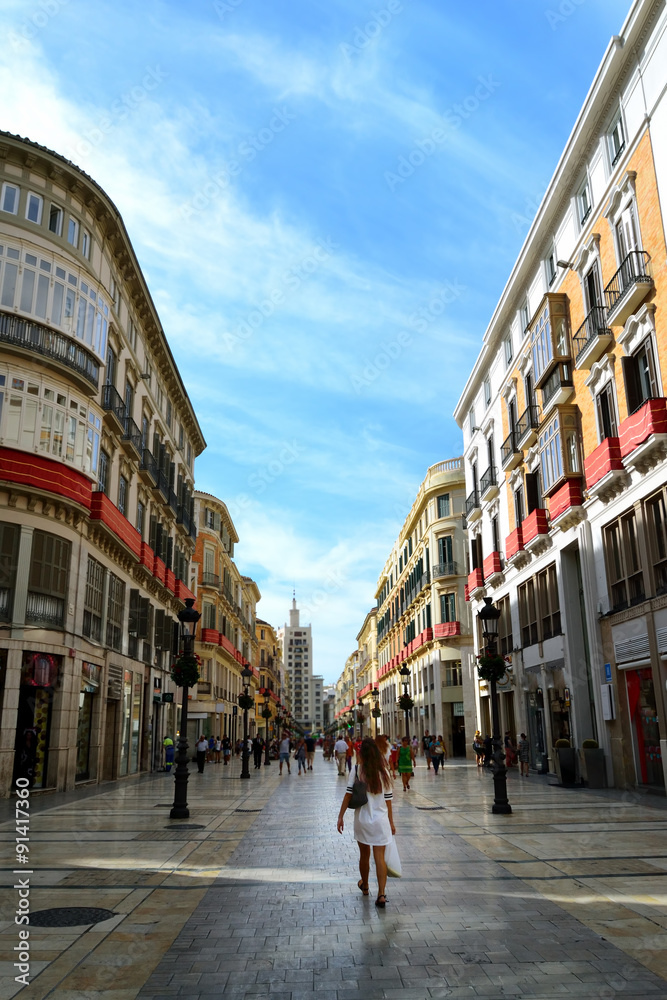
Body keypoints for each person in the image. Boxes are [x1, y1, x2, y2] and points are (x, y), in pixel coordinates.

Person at [337, 736, 395, 908]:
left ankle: (365, 886)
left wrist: (340, 817)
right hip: (381, 821)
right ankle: (382, 894)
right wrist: (391, 823)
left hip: (362, 820)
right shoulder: (384, 772)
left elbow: (348, 794)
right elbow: (389, 799)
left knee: (364, 855)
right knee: (380, 858)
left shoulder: (357, 769)